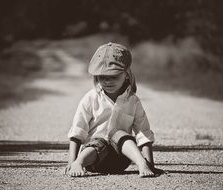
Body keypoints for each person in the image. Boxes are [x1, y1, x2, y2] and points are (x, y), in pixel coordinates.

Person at [66, 42, 156, 177]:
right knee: (99, 142)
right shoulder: (91, 98)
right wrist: (71, 162)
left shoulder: (133, 101)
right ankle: (78, 163)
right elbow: (78, 131)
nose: (108, 81)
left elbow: (144, 134)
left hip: (121, 161)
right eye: (102, 77)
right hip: (92, 160)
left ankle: (142, 164)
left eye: (113, 77)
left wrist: (151, 164)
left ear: (126, 74)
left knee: (119, 134)